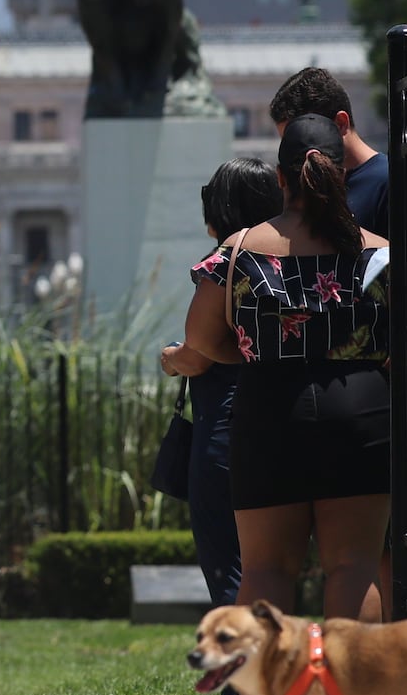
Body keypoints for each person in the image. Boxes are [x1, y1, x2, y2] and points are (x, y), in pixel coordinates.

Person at [162, 115, 392, 624]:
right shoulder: (380, 252)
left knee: (266, 569)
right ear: (340, 175)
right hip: (362, 407)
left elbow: (201, 342)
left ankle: (263, 694)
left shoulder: (240, 250)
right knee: (355, 567)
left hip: (268, 406)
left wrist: (249, 351)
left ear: (281, 179)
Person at [187, 160, 285, 611]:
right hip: (286, 419)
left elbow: (198, 348)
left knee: (231, 562)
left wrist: (174, 358)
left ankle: (242, 676)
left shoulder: (225, 262)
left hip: (227, 424)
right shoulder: (297, 255)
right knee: (278, 565)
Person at [269, 67, 388, 233]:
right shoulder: (300, 186)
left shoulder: (387, 183)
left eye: (300, 139)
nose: (294, 152)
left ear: (340, 124)